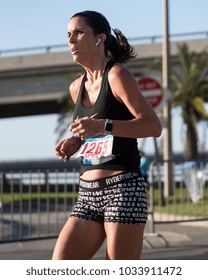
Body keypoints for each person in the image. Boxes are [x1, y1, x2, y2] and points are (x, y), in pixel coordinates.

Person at [53, 10, 162, 260]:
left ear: (99, 38)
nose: (71, 40)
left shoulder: (117, 75)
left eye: (78, 33)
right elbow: (93, 131)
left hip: (122, 189)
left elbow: (153, 126)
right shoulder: (75, 87)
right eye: (69, 34)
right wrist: (75, 142)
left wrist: (105, 125)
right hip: (87, 193)